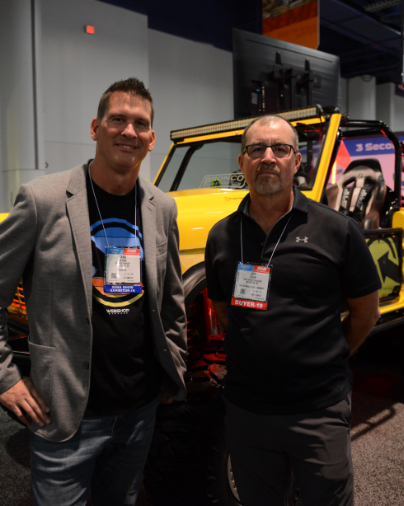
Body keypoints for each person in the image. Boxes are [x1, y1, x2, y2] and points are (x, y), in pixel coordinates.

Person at [0, 77, 187, 506]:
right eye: (117, 120)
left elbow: (171, 299)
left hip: (139, 412)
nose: (129, 131)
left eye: (140, 124)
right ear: (95, 127)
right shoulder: (43, 200)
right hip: (66, 414)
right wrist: (6, 379)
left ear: (152, 138)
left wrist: (170, 364)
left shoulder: (162, 207)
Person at [205, 115, 381, 506]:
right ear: (242, 163)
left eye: (280, 149)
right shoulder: (221, 236)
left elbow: (366, 312)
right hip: (247, 410)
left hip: (317, 410)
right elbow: (225, 309)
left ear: (296, 162)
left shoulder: (337, 231)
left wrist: (330, 355)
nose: (267, 157)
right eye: (256, 149)